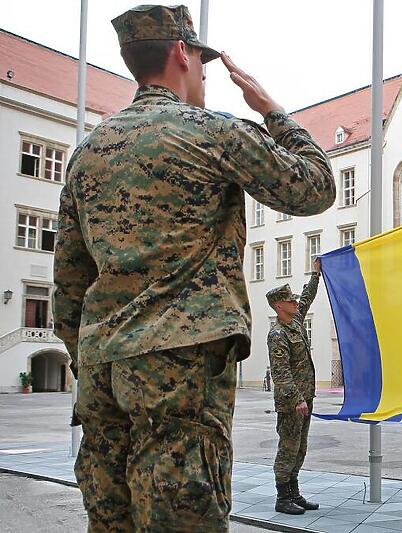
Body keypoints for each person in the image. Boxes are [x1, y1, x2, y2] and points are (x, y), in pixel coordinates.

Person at [52, 5, 334, 531]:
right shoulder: (212, 132)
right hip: (179, 369)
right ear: (182, 53)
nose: (205, 75)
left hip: (101, 371)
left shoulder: (88, 153)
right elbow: (315, 188)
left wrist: (87, 352)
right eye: (203, 62)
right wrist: (273, 111)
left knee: (111, 521)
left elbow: (68, 283)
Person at [265, 258, 321, 515]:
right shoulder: (278, 334)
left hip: (305, 397)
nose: (296, 303)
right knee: (288, 448)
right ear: (279, 306)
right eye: (290, 301)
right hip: (291, 402)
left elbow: (307, 297)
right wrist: (297, 399)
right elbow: (281, 374)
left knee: (300, 448)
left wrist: (315, 275)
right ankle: (282, 497)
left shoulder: (296, 321)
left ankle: (294, 492)